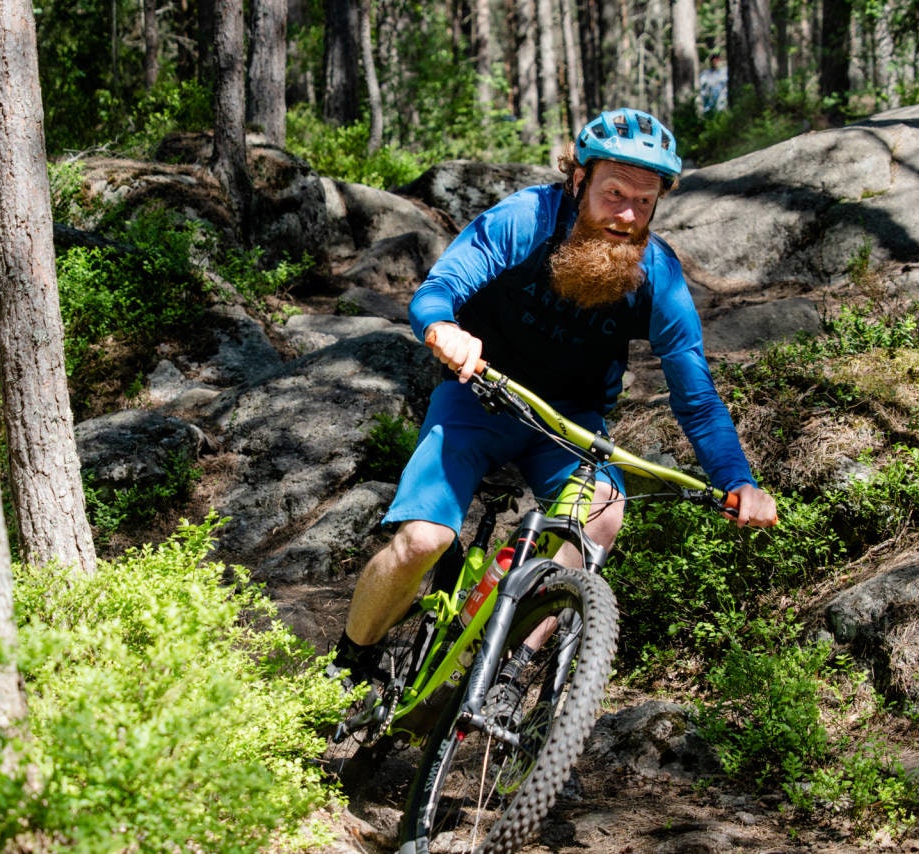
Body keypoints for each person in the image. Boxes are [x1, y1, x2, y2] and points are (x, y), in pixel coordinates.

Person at [328, 108, 778, 686]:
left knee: (603, 516)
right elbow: (439, 289)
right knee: (424, 539)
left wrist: (738, 478)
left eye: (644, 203)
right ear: (579, 179)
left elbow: (696, 395)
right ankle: (349, 658)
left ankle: (505, 671)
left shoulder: (657, 275)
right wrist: (444, 328)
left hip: (570, 424)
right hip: (479, 398)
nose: (626, 215)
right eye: (614, 193)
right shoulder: (527, 219)